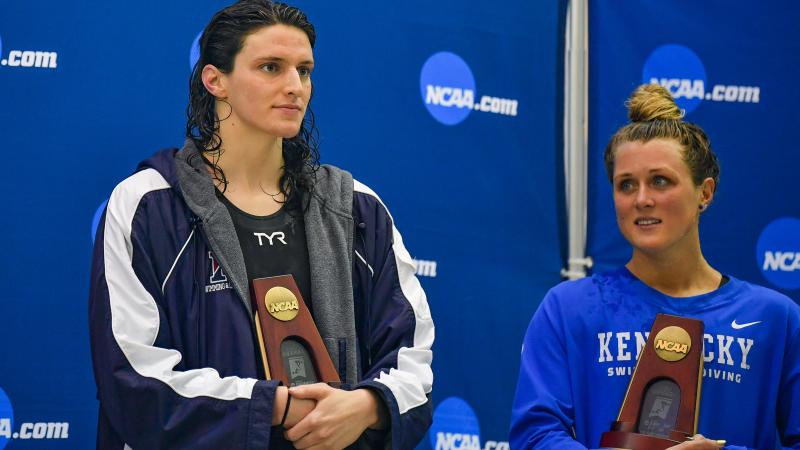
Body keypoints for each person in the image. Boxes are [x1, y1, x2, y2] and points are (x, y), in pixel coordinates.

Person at [88, 1, 434, 449]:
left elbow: (413, 360)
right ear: (215, 80)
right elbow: (132, 376)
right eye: (271, 67)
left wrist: (368, 405)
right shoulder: (148, 206)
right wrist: (274, 407)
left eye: (304, 70)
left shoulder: (357, 210)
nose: (295, 86)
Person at [509, 84, 800, 450]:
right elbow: (534, 436)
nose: (642, 199)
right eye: (626, 185)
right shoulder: (568, 309)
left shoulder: (775, 319)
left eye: (660, 181)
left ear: (704, 193)